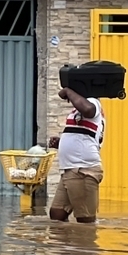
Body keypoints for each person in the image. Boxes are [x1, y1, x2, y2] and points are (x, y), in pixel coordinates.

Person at [48, 87, 104, 223]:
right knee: (57, 214)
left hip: (82, 170)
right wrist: (61, 143)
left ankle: (83, 244)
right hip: (71, 170)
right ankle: (68, 244)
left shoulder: (93, 103)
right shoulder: (77, 111)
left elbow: (88, 110)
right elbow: (83, 136)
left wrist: (68, 91)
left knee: (85, 221)